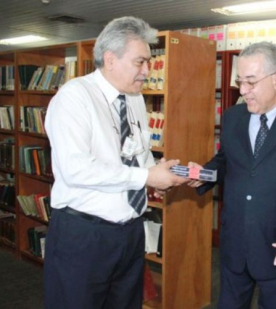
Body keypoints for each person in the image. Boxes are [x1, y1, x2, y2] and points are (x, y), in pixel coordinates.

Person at [44, 16, 188, 309]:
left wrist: (162, 174)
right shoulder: (73, 98)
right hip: (84, 234)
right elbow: (76, 170)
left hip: (129, 232)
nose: (147, 71)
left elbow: (138, 153)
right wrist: (145, 178)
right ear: (110, 60)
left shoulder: (133, 99)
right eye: (140, 62)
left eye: (148, 62)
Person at [189, 42, 276, 308]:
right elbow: (225, 160)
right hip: (235, 241)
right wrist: (205, 174)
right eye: (240, 81)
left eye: (251, 82)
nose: (243, 91)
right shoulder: (233, 117)